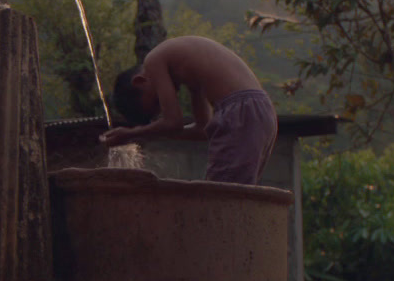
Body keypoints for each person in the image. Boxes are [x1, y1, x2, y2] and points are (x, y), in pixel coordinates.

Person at [101, 34, 278, 185]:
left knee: (221, 200)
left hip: (240, 113)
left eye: (156, 103)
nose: (163, 104)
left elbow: (173, 123)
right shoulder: (188, 70)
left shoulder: (153, 60)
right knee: (236, 195)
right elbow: (202, 129)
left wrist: (131, 134)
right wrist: (155, 132)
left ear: (140, 81)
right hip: (260, 111)